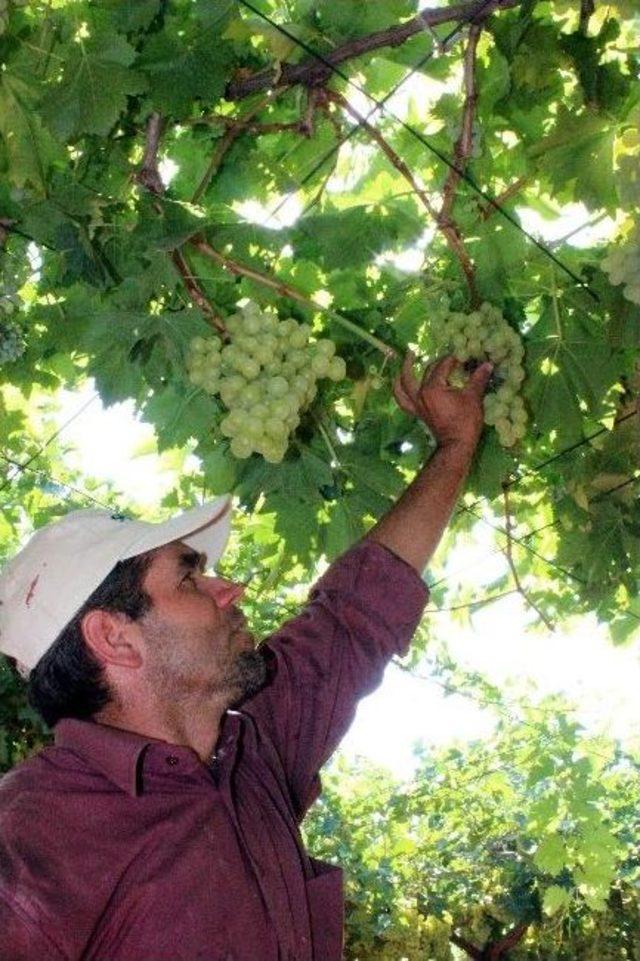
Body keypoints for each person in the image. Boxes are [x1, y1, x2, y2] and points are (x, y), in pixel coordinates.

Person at [0, 353, 492, 961]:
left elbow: (355, 612)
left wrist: (454, 446)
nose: (231, 590)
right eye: (189, 580)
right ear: (115, 638)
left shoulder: (252, 749)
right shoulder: (26, 839)